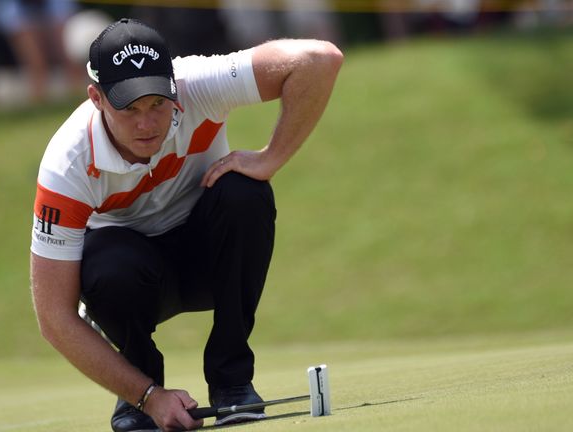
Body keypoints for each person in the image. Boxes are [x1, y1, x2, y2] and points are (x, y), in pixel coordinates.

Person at [29, 18, 343, 432]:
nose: (147, 124)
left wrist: (270, 158)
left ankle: (232, 381)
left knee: (244, 192)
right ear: (97, 97)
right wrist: (147, 396)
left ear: (173, 85)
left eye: (158, 103)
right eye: (129, 108)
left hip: (208, 263)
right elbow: (54, 318)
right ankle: (137, 396)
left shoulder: (196, 83)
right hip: (134, 285)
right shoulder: (66, 164)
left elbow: (320, 59)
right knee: (105, 260)